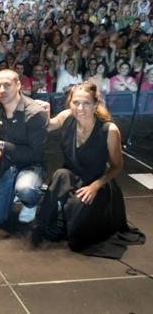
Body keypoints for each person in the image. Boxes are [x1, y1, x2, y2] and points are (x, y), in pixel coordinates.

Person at [33, 81, 144, 257]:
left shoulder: (110, 130)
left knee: (79, 240)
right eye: (75, 102)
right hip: (71, 176)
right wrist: (46, 111)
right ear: (70, 103)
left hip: (97, 183)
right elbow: (48, 126)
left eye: (86, 103)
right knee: (60, 174)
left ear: (95, 105)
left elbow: (117, 166)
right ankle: (45, 222)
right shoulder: (66, 116)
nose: (80, 108)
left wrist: (95, 186)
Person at [0, 69, 48, 226]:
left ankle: (30, 203)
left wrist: (2, 146)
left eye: (7, 85)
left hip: (31, 165)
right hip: (8, 164)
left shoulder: (34, 113)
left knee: (26, 189)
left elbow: (35, 155)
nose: (1, 90)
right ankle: (14, 190)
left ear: (18, 85)